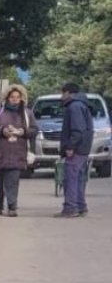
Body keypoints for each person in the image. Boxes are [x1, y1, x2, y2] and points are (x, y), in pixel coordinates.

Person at [0, 85, 39, 217]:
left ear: (22, 98)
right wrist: (2, 131)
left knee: (13, 181)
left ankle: (12, 206)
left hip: (17, 153)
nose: (15, 100)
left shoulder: (27, 114)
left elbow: (34, 130)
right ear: (7, 98)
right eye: (12, 97)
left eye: (18, 97)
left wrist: (22, 132)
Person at [56, 82, 92, 218]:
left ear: (68, 93)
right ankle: (81, 206)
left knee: (70, 178)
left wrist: (70, 147)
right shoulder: (82, 105)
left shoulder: (74, 107)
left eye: (62, 93)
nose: (61, 96)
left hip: (76, 149)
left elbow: (77, 130)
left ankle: (71, 208)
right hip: (83, 149)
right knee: (79, 179)